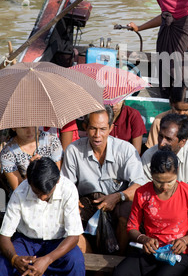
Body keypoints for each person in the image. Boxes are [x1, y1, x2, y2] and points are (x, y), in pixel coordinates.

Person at [113, 149, 188, 276]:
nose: (164, 187)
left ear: (177, 173)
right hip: (150, 249)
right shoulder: (142, 193)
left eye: (170, 182)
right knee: (122, 273)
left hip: (178, 252)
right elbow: (132, 227)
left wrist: (184, 241)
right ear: (151, 174)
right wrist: (144, 239)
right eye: (159, 181)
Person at [61, 106, 146, 254]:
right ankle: (92, 261)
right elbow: (66, 185)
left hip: (117, 201)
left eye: (102, 129)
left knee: (126, 213)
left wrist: (118, 196)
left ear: (111, 128)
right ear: (85, 127)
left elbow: (139, 186)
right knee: (68, 217)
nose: (97, 135)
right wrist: (72, 200)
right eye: (93, 129)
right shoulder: (73, 150)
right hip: (87, 201)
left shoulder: (126, 150)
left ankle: (117, 262)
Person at [0, 157, 85, 276]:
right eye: (37, 192)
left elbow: (74, 236)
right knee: (5, 262)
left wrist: (47, 260)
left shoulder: (68, 189)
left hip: (58, 242)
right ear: (29, 182)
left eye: (47, 193)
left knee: (75, 261)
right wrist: (15, 259)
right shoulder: (20, 193)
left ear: (57, 181)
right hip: (26, 242)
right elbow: (4, 236)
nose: (42, 198)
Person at [142, 113, 188, 201]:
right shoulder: (149, 156)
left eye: (168, 139)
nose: (161, 143)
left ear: (182, 142)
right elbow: (144, 194)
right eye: (160, 136)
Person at [146, 84, 188, 148]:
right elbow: (153, 149)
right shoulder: (158, 121)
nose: (181, 114)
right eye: (177, 109)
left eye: (186, 110)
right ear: (171, 103)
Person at [0, 127, 63, 192]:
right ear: (14, 128)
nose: (30, 131)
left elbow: (57, 176)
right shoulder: (7, 153)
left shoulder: (51, 140)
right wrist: (31, 169)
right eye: (24, 127)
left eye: (33, 126)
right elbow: (18, 190)